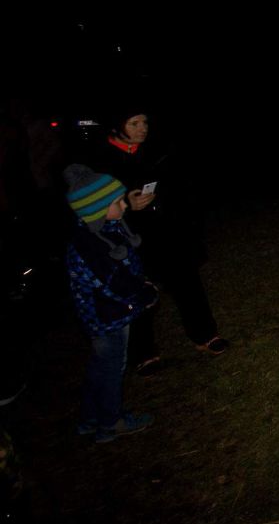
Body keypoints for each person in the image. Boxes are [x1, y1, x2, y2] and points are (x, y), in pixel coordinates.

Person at [93, 106, 226, 374]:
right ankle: (143, 352)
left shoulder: (156, 150)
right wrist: (127, 205)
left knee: (188, 283)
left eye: (144, 122)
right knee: (138, 291)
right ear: (117, 126)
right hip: (130, 238)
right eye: (134, 123)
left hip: (168, 230)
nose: (142, 128)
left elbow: (181, 184)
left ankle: (205, 334)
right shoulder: (101, 160)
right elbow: (91, 205)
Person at [63, 164, 157, 443]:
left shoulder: (104, 228)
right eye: (118, 202)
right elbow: (114, 282)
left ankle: (90, 418)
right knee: (112, 368)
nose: (124, 206)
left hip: (106, 316)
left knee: (100, 366)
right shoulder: (92, 245)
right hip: (107, 318)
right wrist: (144, 293)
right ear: (97, 209)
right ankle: (110, 422)